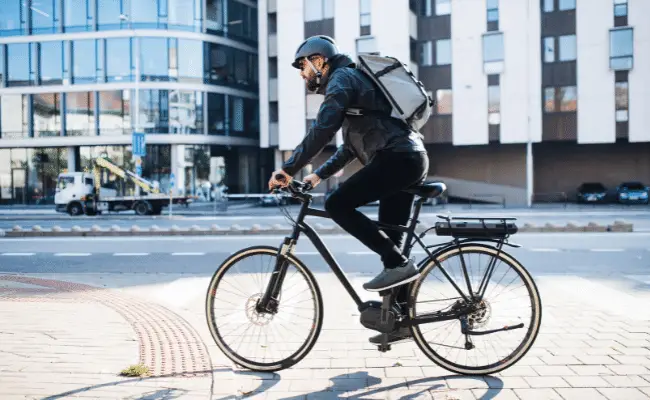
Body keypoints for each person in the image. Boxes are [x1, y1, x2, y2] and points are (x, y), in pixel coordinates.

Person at [268, 35, 429, 344]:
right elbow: (349, 148)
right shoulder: (353, 83)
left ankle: (398, 266)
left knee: (337, 204)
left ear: (318, 61)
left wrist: (287, 169)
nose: (302, 75)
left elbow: (321, 129)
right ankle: (400, 322)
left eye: (303, 67)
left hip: (397, 159)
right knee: (391, 245)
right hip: (408, 158)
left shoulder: (341, 80)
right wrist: (315, 177)